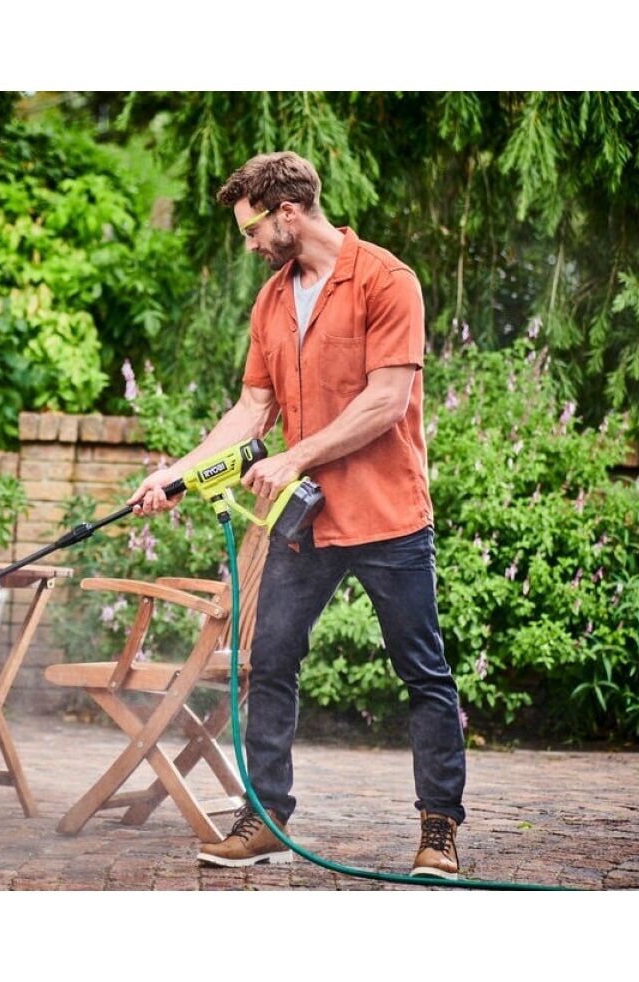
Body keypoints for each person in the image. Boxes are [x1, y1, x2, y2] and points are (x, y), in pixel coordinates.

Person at [128, 151, 466, 879]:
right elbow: (252, 408)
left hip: (387, 515)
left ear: (288, 213)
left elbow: (386, 401)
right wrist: (175, 474)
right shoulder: (272, 302)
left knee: (423, 670)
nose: (249, 244)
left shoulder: (386, 280)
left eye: (251, 229)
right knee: (272, 660)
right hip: (306, 520)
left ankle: (439, 830)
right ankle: (266, 818)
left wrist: (294, 458)